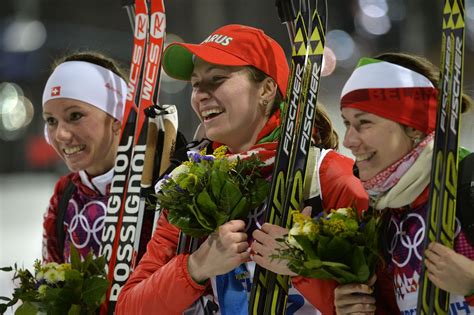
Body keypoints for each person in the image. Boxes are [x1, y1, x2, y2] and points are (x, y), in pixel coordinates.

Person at [116, 24, 368, 314]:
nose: (200, 95)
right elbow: (129, 307)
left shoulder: (327, 175)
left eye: (217, 80)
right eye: (197, 84)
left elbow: (376, 304)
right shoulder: (190, 186)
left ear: (266, 89)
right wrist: (196, 266)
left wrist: (299, 266)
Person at [332, 53, 474, 314]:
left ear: (414, 128)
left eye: (364, 123)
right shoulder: (386, 213)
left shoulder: (467, 183)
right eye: (347, 123)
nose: (348, 140)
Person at [41, 51, 128, 263]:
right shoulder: (65, 195)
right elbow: (49, 287)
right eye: (51, 121)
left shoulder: (164, 188)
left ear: (117, 117)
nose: (61, 134)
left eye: (75, 116)